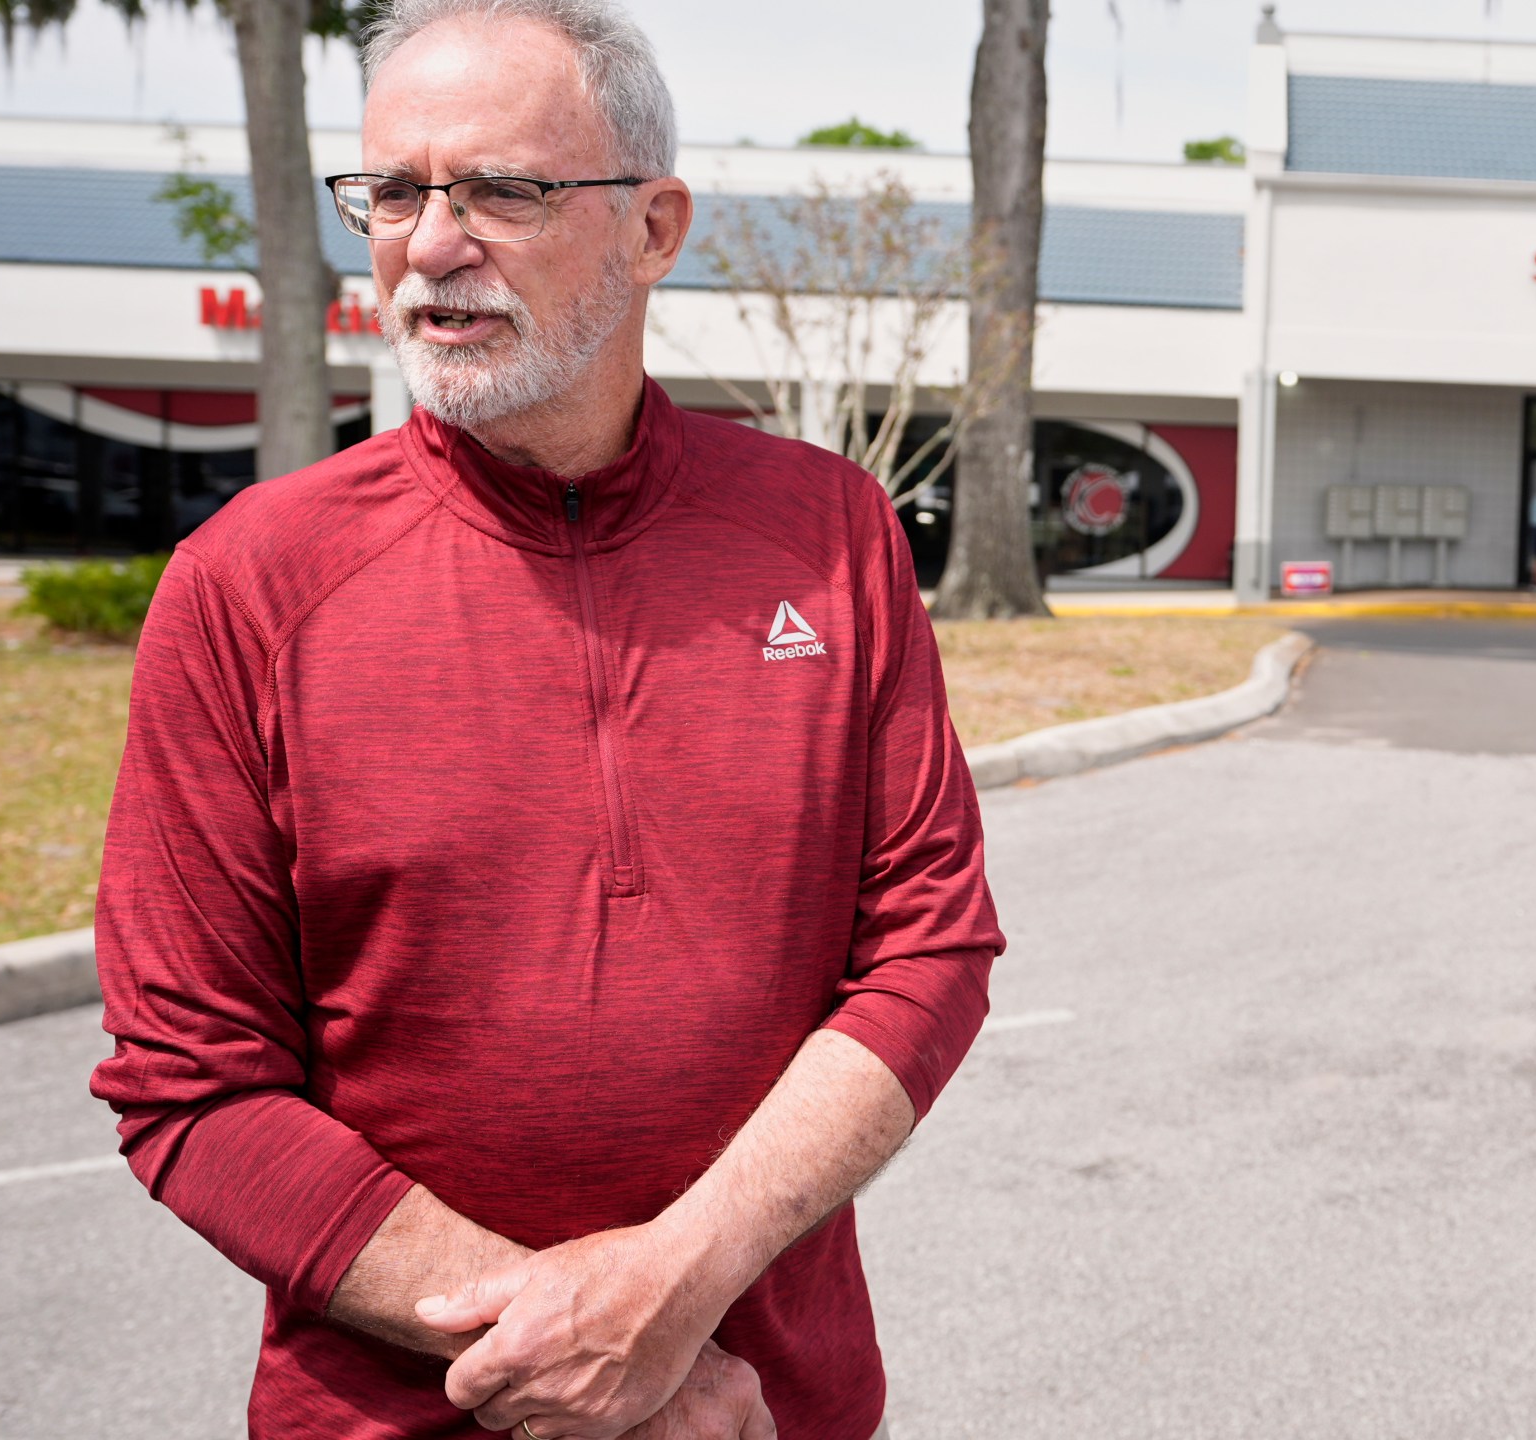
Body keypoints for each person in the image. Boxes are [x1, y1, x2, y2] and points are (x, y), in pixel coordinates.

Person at [86, 4, 1000, 1439]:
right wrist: (585, 1355)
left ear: (654, 227)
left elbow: (928, 950)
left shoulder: (830, 535)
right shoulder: (246, 587)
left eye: (503, 190)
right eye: (393, 190)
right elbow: (191, 1084)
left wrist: (667, 1294)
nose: (431, 244)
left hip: (772, 1409)